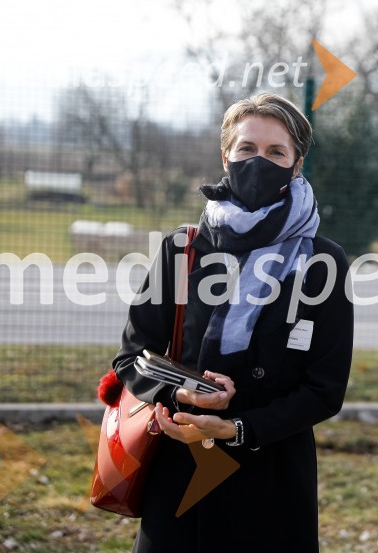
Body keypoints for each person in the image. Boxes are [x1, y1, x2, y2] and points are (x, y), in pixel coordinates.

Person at [113, 92, 354, 552]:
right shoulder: (182, 249)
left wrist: (238, 428)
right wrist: (177, 392)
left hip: (271, 481)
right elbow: (130, 357)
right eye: (246, 149)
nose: (258, 162)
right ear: (226, 156)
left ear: (296, 164)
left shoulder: (323, 262)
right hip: (180, 472)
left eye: (275, 152)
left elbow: (325, 389)